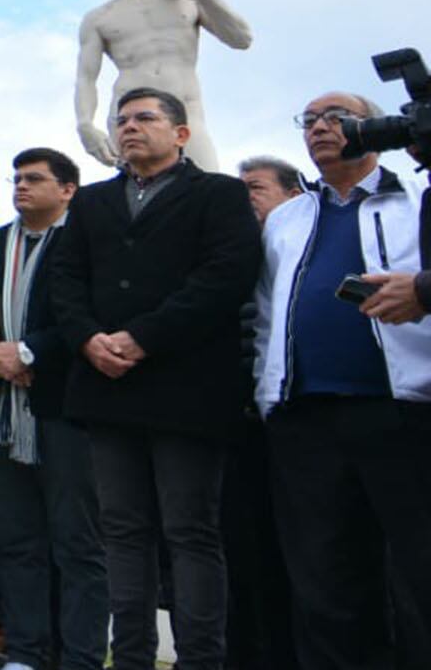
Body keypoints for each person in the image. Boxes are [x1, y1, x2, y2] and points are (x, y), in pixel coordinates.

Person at [49, 87, 261, 670]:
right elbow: (64, 281)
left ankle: (199, 660)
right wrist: (88, 338)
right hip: (107, 385)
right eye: (122, 120)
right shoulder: (92, 203)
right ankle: (133, 658)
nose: (129, 127)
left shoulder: (218, 195)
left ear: (181, 133)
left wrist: (144, 336)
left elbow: (226, 276)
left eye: (144, 118)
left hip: (186, 388)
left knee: (190, 532)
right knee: (122, 530)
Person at [253, 92, 431, 669]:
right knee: (324, 581)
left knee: (417, 572)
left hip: (399, 411)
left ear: (374, 127)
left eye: (336, 117)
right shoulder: (286, 218)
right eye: (309, 120)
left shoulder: (413, 204)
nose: (320, 128)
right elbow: (263, 312)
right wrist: (267, 393)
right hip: (305, 419)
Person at [0, 147, 108, 670]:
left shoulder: (88, 242)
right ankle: (27, 652)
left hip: (63, 409)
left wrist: (31, 351)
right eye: (17, 178)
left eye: (35, 179)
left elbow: (89, 313)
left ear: (68, 189)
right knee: (17, 538)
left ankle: (81, 658)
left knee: (77, 542)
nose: (21, 186)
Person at [73, 0, 253, 171]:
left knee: (207, 193)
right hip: (129, 119)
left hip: (185, 116)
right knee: (140, 202)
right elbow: (85, 78)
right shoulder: (100, 18)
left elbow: (241, 39)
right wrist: (85, 125)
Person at [226, 155, 303, 670]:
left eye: (255, 188)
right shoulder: (232, 257)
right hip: (240, 423)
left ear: (293, 197)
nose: (245, 199)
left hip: (301, 420)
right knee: (240, 550)